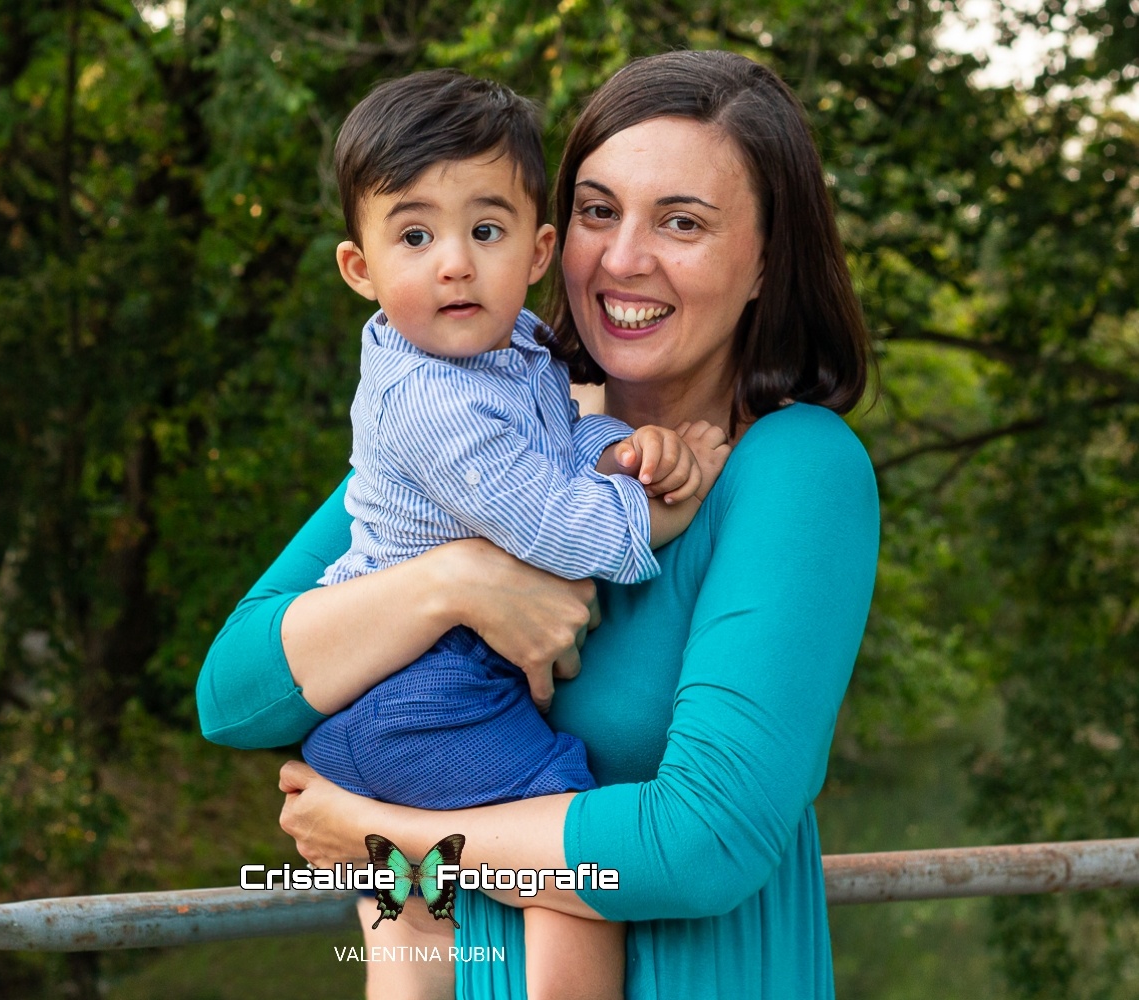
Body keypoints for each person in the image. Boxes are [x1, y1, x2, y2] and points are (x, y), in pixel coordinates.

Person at [198, 48, 879, 1000]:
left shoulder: (795, 467)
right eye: (600, 211)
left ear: (769, 258)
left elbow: (703, 846)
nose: (624, 258)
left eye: (681, 222)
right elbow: (236, 695)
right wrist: (457, 583)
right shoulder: (473, 430)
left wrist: (386, 840)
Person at [293, 68, 730, 1000]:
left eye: (484, 232)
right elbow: (554, 528)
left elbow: (560, 443)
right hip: (427, 693)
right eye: (416, 236)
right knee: (571, 850)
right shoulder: (431, 402)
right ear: (359, 268)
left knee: (414, 932)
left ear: (536, 251)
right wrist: (665, 508)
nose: (455, 263)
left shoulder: (508, 350)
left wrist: (624, 450)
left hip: (399, 694)